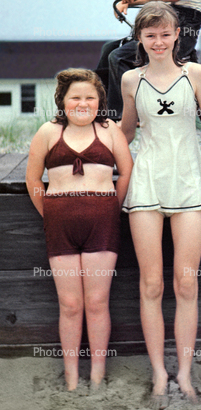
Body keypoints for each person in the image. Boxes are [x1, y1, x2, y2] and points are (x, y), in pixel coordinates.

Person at [121, 1, 201, 409]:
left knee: (185, 283)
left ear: (177, 34)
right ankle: (160, 375)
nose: (158, 41)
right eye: (150, 35)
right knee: (151, 284)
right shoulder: (130, 79)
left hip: (188, 186)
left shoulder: (193, 73)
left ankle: (184, 373)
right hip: (146, 185)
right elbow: (124, 132)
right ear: (140, 38)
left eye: (165, 34)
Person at [26, 68, 133, 391]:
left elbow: (126, 173)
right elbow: (33, 180)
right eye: (76, 97)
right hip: (59, 221)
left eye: (90, 97)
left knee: (97, 302)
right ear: (63, 101)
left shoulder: (109, 129)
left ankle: (97, 375)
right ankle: (72, 378)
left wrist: (110, 208)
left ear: (100, 101)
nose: (83, 103)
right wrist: (51, 213)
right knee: (70, 304)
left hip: (102, 220)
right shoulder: (48, 131)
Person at [96, 0, 201, 119]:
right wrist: (128, 2)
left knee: (118, 57)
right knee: (109, 48)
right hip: (164, 18)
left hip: (182, 26)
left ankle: (121, 116)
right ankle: (99, 106)